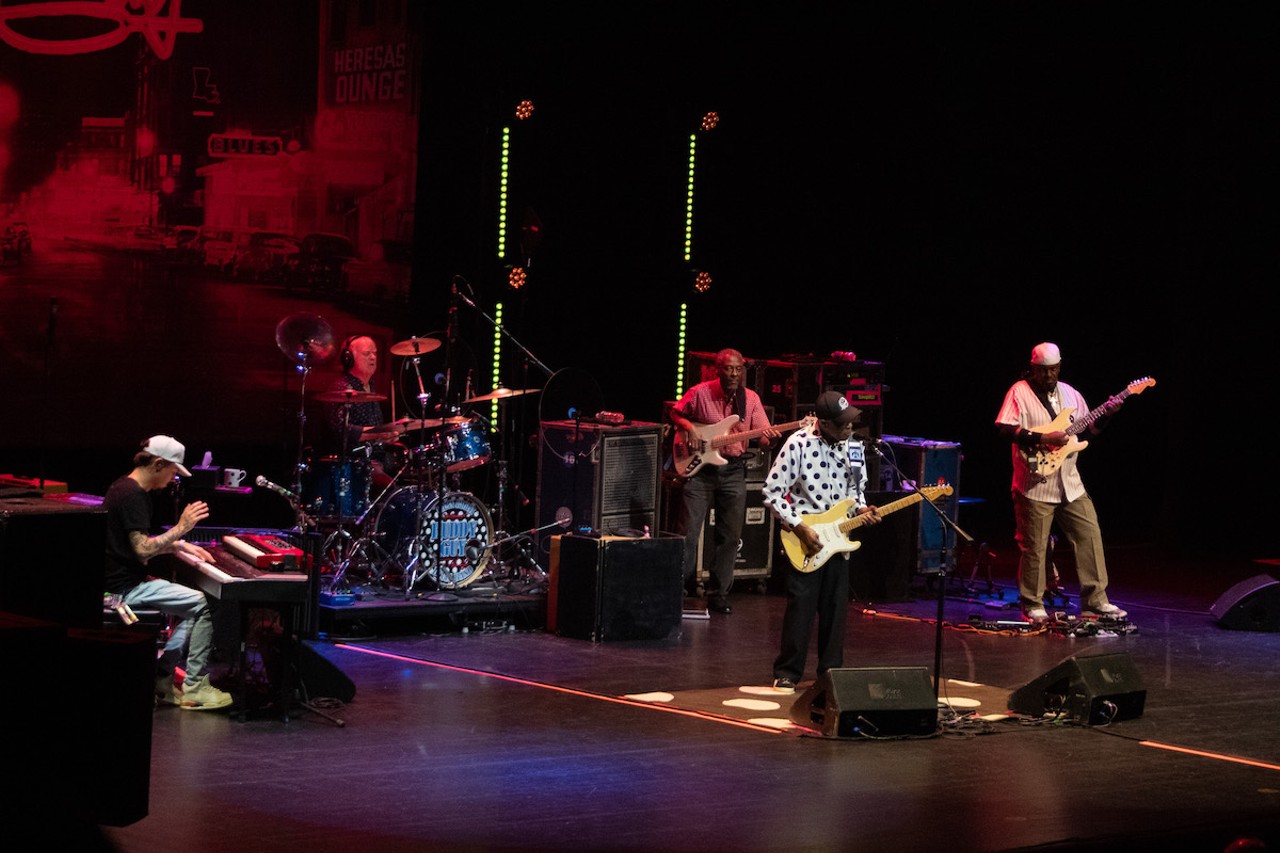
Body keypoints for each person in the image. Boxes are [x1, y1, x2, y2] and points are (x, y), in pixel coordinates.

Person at [995, 341, 1127, 623]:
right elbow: (1004, 427)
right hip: (1035, 484)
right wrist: (1043, 438)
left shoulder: (1070, 394)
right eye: (1043, 371)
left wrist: (1107, 416)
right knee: (1035, 546)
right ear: (1033, 368)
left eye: (1053, 370)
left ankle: (1096, 601)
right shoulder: (1019, 391)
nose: (1048, 376)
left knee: (1089, 535)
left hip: (1070, 482)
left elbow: (1088, 430)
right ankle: (1032, 603)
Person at [103, 435, 233, 710]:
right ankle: (195, 688)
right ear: (159, 464)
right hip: (122, 592)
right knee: (205, 604)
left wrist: (178, 546)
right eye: (174, 471)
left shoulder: (121, 487)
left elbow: (133, 546)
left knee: (195, 607)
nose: (174, 478)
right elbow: (142, 550)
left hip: (121, 583)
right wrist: (181, 528)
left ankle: (163, 676)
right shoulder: (133, 496)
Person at [763, 391, 880, 692]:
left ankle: (830, 673)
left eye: (851, 422)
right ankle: (788, 671)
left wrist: (863, 509)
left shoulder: (854, 449)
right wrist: (800, 527)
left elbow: (856, 493)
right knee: (801, 607)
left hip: (839, 540)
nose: (849, 429)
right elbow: (773, 492)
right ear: (823, 423)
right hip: (807, 537)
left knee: (835, 609)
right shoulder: (798, 444)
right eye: (842, 424)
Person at [670, 348, 779, 614]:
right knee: (689, 532)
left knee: (730, 535)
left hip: (732, 472)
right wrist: (690, 427)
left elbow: (764, 437)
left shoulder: (750, 399)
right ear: (717, 369)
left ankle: (719, 593)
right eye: (728, 369)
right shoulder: (700, 392)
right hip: (699, 471)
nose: (733, 373)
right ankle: (674, 590)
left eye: (738, 369)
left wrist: (771, 438)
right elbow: (675, 413)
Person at [325, 334, 405, 488]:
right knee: (391, 491)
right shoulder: (342, 389)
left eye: (375, 353)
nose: (373, 357)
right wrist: (378, 433)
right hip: (353, 464)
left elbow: (374, 434)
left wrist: (385, 437)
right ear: (348, 358)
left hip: (377, 459)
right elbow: (340, 430)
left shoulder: (370, 388)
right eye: (367, 354)